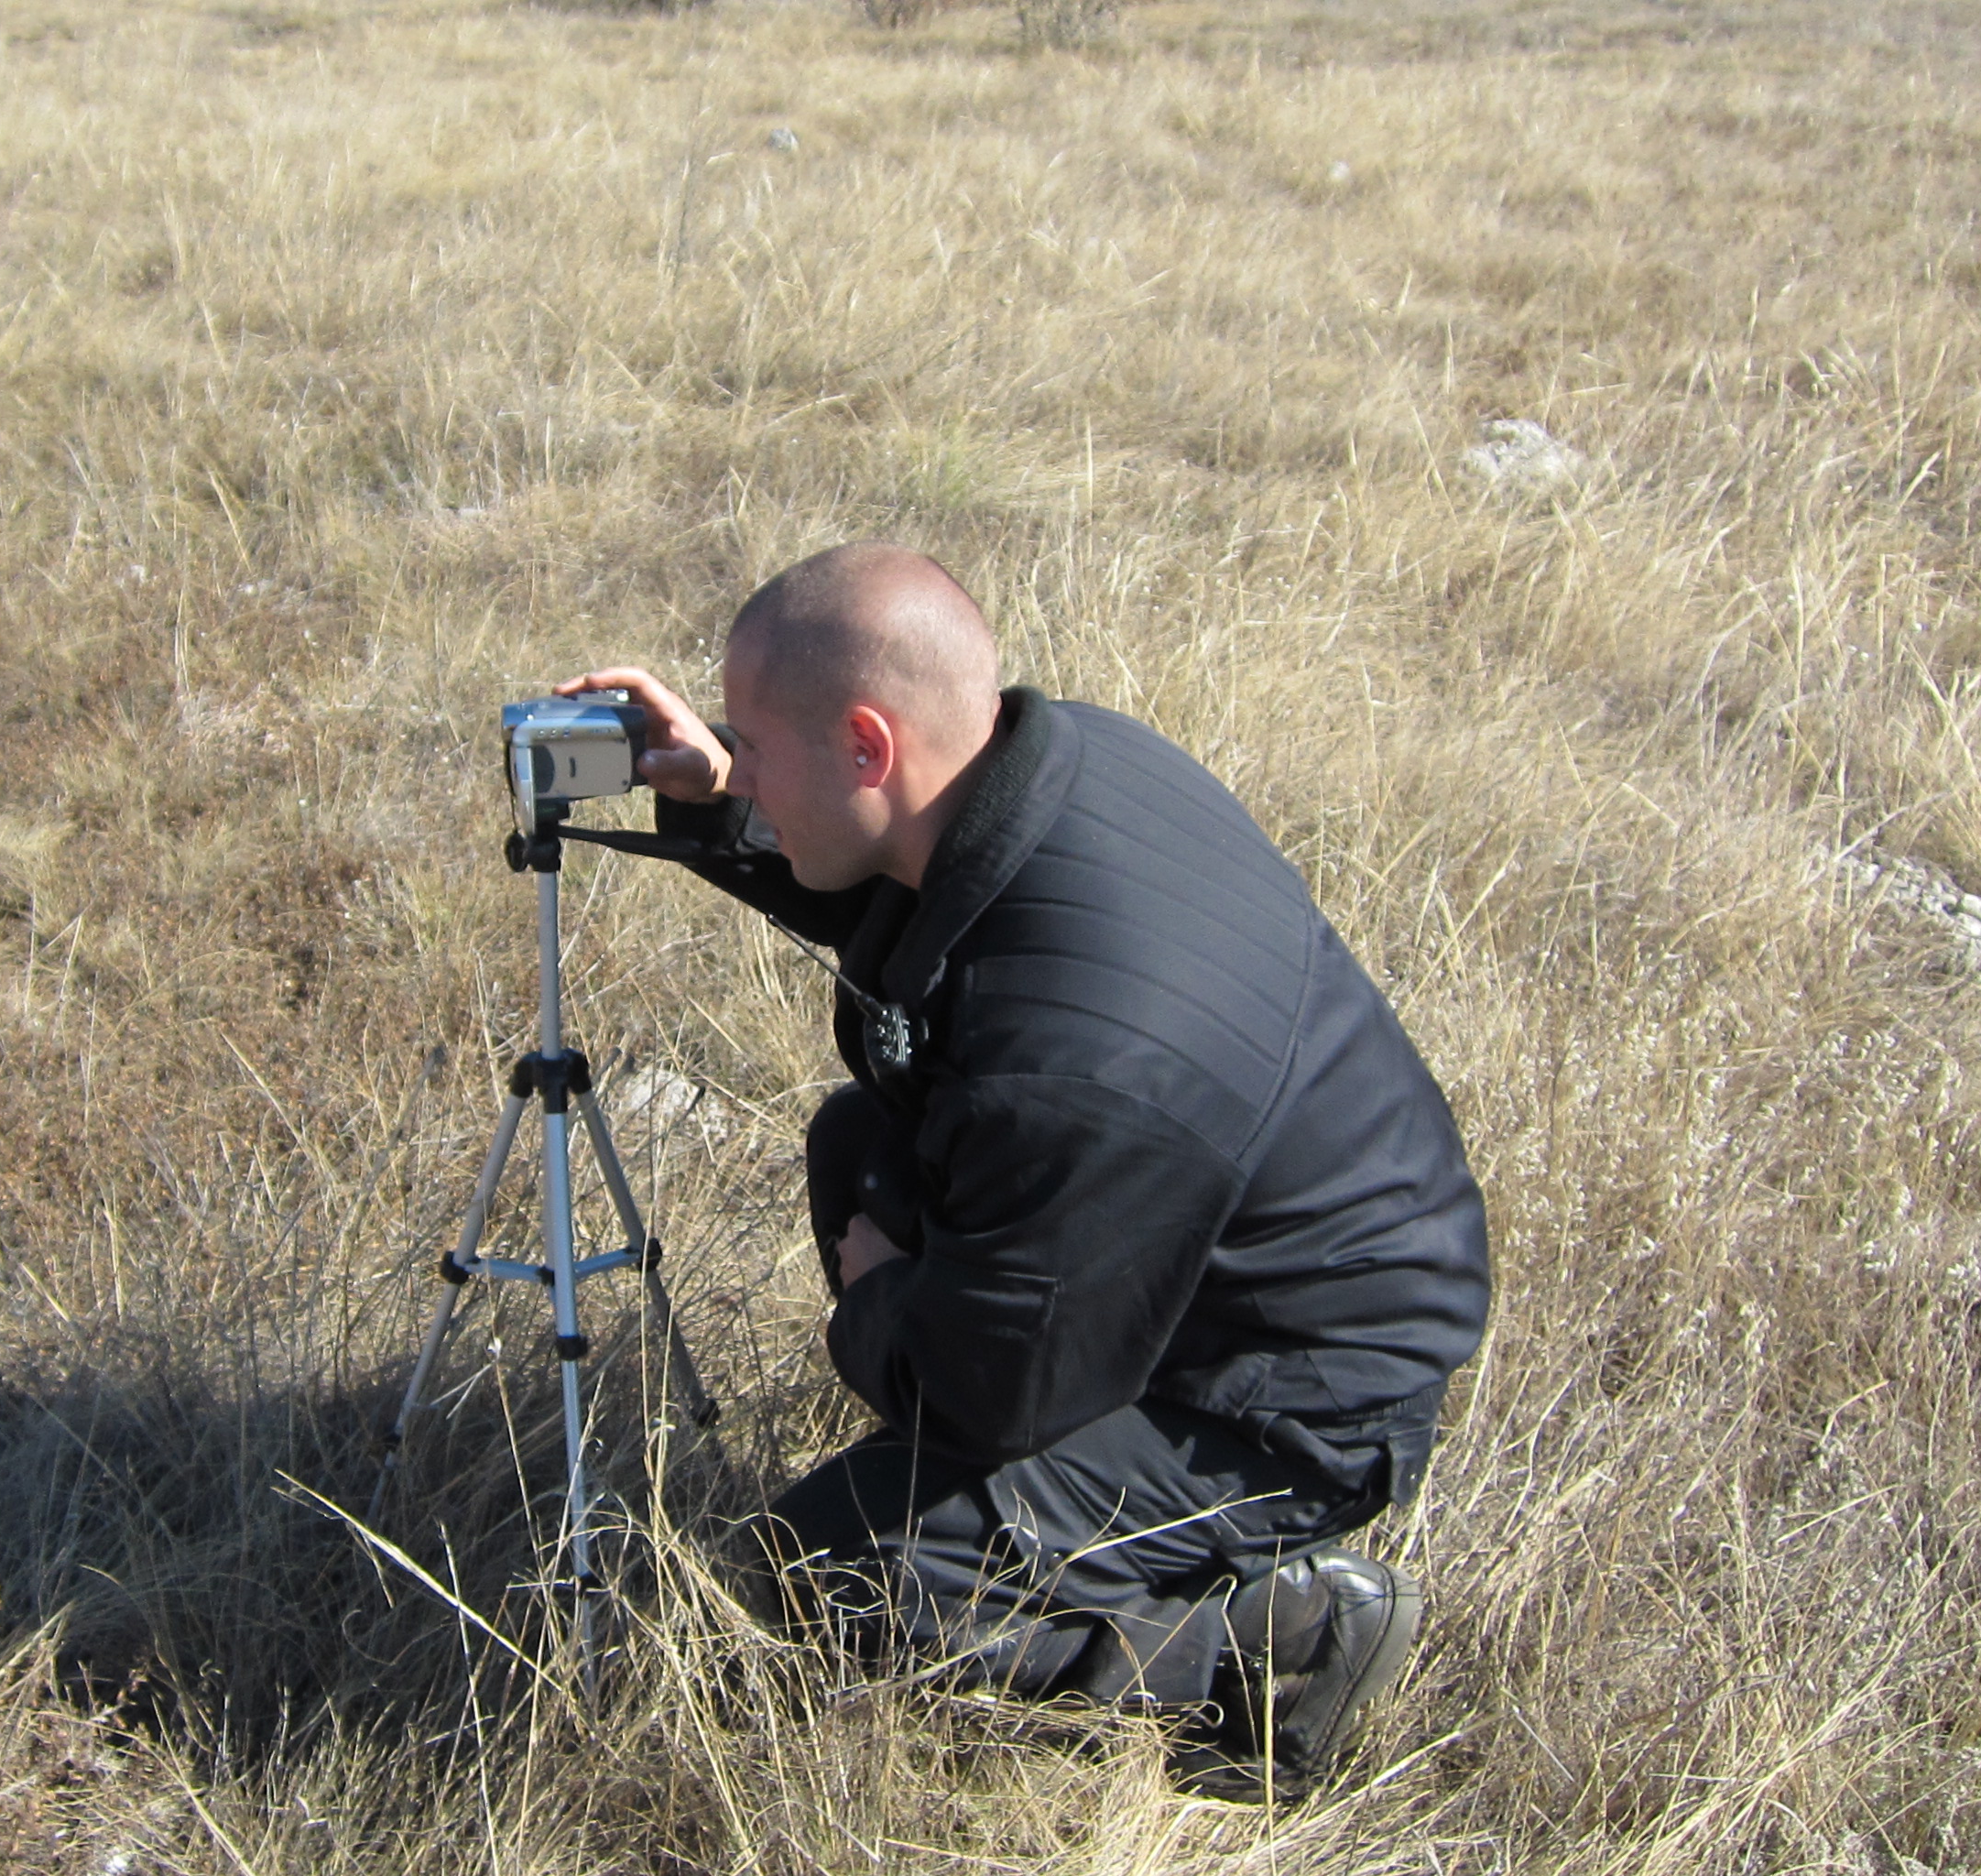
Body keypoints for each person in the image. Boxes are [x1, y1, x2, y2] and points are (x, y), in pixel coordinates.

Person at [562, 543, 1490, 1798]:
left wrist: (885, 1303)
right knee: (860, 1152)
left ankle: (1271, 1642)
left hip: (1291, 1394)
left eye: (758, 746)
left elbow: (991, 1387)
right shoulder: (1064, 759)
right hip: (1224, 1240)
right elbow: (899, 882)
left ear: (869, 746)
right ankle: (996, 1517)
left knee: (825, 1574)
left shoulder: (1078, 1063)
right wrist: (725, 789)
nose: (745, 763)